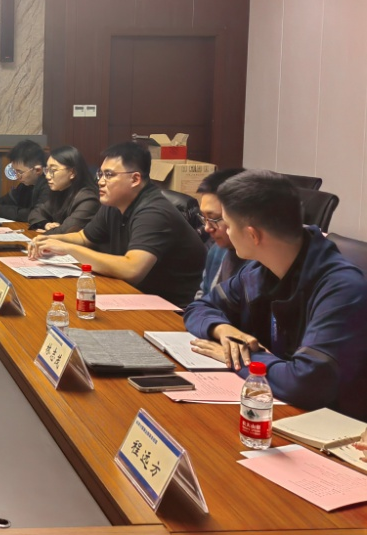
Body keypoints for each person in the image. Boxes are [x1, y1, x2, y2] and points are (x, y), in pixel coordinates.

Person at [184, 170, 367, 420]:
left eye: (228, 224)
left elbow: (305, 383)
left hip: (334, 422)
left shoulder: (342, 289)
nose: (220, 230)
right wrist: (222, 330)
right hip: (278, 405)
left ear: (252, 235)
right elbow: (198, 308)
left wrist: (243, 360)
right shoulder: (258, 269)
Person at [30, 141, 206, 308]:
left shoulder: (154, 212)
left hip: (176, 309)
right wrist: (50, 240)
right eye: (100, 174)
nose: (100, 181)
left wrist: (68, 249)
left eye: (109, 175)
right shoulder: (115, 203)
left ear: (135, 179)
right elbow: (84, 237)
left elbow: (132, 269)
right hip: (138, 296)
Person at [194, 168, 248, 300]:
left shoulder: (263, 265)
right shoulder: (217, 250)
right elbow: (202, 298)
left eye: (214, 218)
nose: (207, 228)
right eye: (204, 218)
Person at [27, 145, 100, 235]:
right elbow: (35, 213)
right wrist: (46, 224)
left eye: (53, 170)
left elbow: (66, 231)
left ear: (72, 172)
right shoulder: (61, 191)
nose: (47, 176)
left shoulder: (88, 199)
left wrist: (49, 233)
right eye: (47, 170)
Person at [0, 139, 49, 222]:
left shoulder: (49, 186)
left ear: (38, 170)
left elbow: (35, 214)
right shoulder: (25, 185)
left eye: (20, 172)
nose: (17, 177)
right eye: (15, 171)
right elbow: (7, 200)